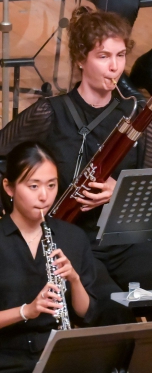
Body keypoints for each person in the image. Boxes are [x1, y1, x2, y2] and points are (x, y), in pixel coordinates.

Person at [0, 7, 152, 373]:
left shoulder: (137, 113)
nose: (114, 67)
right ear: (81, 60)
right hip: (70, 244)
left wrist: (118, 190)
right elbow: (4, 161)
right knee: (113, 312)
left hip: (125, 241)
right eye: (103, 56)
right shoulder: (50, 113)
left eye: (121, 56)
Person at [0, 141, 97, 373]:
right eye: (33, 186)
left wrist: (74, 279)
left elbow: (87, 314)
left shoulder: (73, 237)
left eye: (51, 185)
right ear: (9, 187)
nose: (44, 196)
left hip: (56, 356)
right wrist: (27, 311)